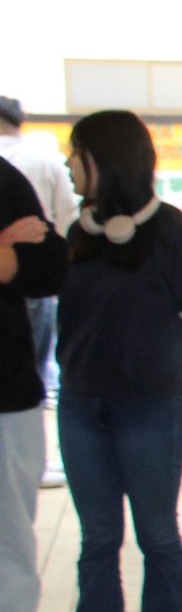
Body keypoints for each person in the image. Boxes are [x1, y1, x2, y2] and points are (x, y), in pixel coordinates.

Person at [55, 110, 182, 612]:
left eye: (77, 153)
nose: (69, 165)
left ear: (106, 160)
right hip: (82, 410)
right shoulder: (75, 237)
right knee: (98, 540)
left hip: (155, 412)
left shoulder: (177, 237)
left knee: (158, 535)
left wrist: (176, 389)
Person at [0, 152, 91, 612]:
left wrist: (11, 256)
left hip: (6, 392)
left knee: (9, 540)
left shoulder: (3, 179)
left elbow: (49, 267)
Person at [0, 96, 76, 409]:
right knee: (37, 359)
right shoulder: (44, 158)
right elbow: (67, 224)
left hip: (27, 277)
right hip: (32, 276)